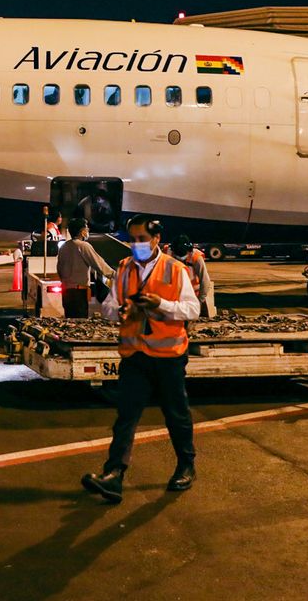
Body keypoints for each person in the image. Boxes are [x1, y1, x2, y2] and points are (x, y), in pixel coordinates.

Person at [81, 215, 198, 503]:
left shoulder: (175, 269)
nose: (136, 244)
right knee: (126, 417)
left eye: (142, 239)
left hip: (168, 356)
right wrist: (121, 311)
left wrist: (162, 305)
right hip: (135, 355)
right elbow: (108, 306)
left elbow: (192, 309)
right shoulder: (123, 267)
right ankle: (114, 475)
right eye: (132, 239)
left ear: (156, 239)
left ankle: (186, 465)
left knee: (176, 415)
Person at [55, 217, 113, 318]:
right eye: (87, 229)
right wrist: (117, 275)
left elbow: (59, 268)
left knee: (69, 321)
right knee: (79, 322)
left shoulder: (64, 247)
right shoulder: (83, 246)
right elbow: (99, 264)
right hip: (79, 293)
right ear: (82, 232)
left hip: (66, 292)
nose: (88, 232)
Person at [168, 235, 214, 319]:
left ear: (189, 251)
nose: (180, 257)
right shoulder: (168, 254)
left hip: (192, 295)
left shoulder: (196, 258)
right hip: (174, 294)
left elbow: (205, 281)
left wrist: (199, 302)